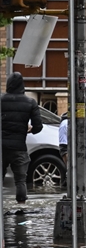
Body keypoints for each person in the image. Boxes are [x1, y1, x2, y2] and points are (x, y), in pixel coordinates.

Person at [1, 73, 44, 204]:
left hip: (1, 147)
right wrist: (29, 129)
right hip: (19, 148)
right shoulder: (30, 102)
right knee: (20, 180)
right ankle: (21, 208)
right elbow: (38, 126)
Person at [59, 98, 86, 206]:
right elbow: (64, 150)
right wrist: (73, 171)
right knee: (80, 202)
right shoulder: (66, 124)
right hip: (80, 172)